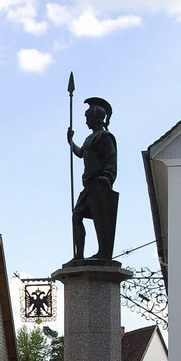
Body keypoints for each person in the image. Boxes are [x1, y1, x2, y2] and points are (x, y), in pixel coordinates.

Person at [67, 97, 119, 262]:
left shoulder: (105, 137)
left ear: (96, 118)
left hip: (99, 183)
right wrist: (70, 142)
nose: (86, 121)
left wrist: (107, 176)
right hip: (89, 184)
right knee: (76, 216)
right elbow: (81, 153)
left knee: (101, 219)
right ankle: (79, 255)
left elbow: (111, 159)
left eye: (87, 118)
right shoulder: (89, 139)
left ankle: (103, 253)